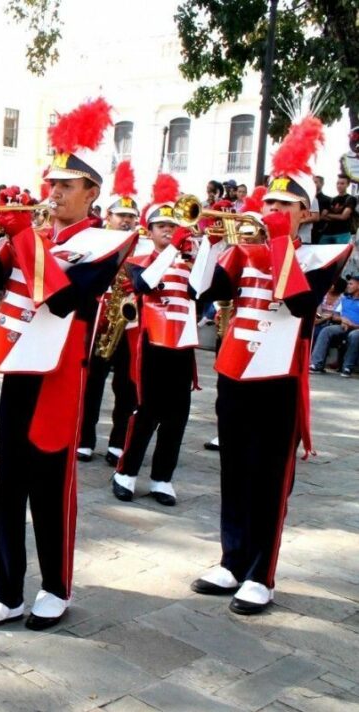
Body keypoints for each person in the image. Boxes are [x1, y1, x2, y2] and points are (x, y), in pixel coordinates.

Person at [0, 98, 136, 632]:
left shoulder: (108, 241)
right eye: (51, 183)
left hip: (61, 372)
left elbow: (65, 298)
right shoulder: (35, 236)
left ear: (92, 194)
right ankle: (5, 591)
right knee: (7, 484)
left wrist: (23, 240)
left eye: (66, 185)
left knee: (51, 484)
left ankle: (55, 587)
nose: (54, 192)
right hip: (17, 366)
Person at [189, 116, 352, 614]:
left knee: (268, 475)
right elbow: (208, 291)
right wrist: (213, 241)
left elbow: (302, 306)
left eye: (284, 204)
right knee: (234, 467)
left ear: (306, 212)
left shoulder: (323, 255)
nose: (273, 210)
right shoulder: (246, 248)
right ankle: (231, 558)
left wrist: (276, 243)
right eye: (269, 203)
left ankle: (262, 573)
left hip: (280, 377)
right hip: (237, 368)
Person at [111, 181, 199, 506]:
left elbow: (203, 288)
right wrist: (173, 249)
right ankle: (126, 472)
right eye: (162, 226)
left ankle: (163, 477)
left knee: (177, 416)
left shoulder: (187, 263)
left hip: (182, 346)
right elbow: (144, 284)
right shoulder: (140, 260)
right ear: (150, 231)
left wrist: (208, 248)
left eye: (174, 226)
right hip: (150, 345)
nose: (169, 230)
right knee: (146, 411)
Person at [78, 160, 141, 465]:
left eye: (131, 216)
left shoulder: (141, 245)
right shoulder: (97, 240)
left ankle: (119, 441)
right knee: (91, 383)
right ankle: (84, 437)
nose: (126, 221)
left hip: (128, 322)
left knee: (127, 386)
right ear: (108, 216)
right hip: (99, 317)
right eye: (121, 215)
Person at [309, 273, 359, 376]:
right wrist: (343, 319)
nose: (348, 286)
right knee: (326, 330)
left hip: (356, 329)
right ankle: (316, 364)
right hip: (342, 326)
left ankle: (347, 367)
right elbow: (335, 315)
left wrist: (352, 325)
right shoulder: (344, 299)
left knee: (354, 335)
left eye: (351, 284)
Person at [320, 175, 357, 244]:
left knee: (342, 254)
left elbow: (344, 217)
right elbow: (322, 216)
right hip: (327, 233)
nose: (339, 186)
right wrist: (338, 216)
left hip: (343, 233)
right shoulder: (332, 200)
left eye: (342, 183)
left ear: (348, 185)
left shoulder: (351, 199)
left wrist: (328, 215)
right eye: (338, 183)